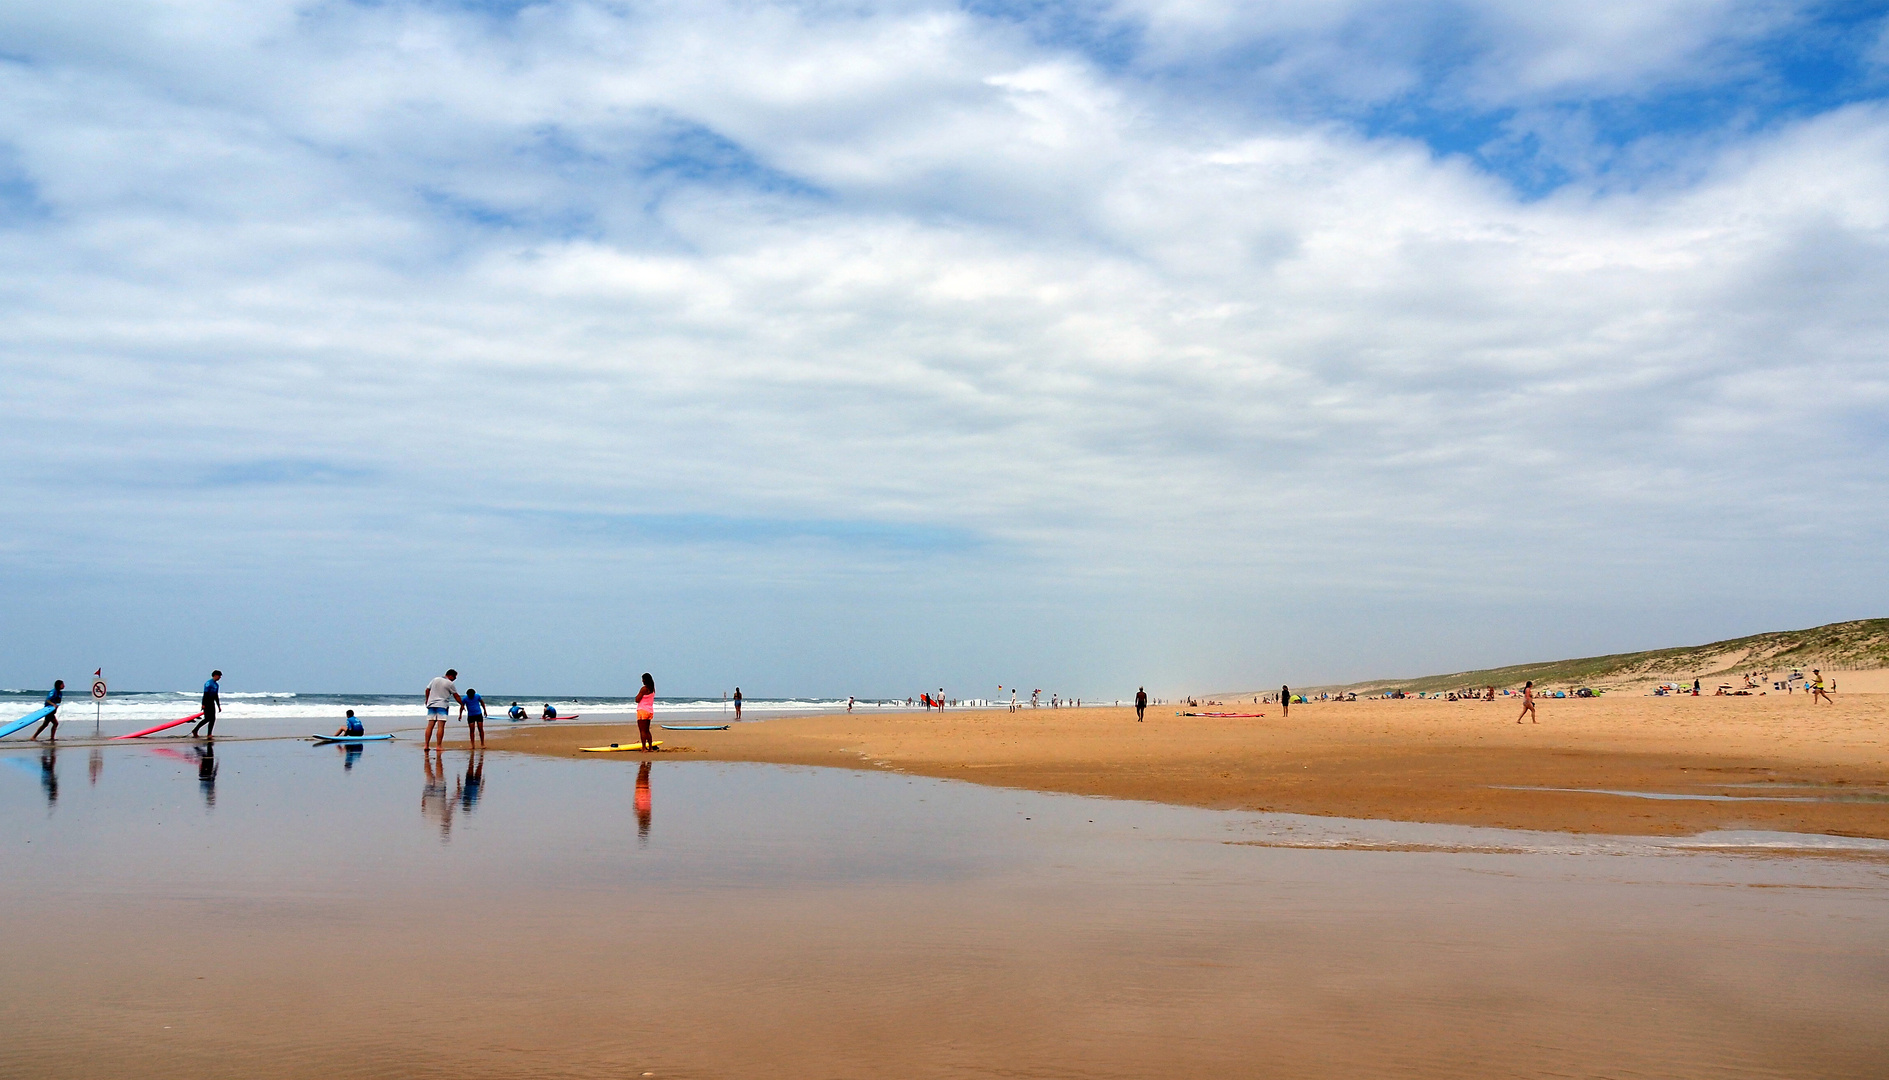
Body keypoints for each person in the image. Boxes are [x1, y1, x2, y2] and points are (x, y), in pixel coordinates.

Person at [424, 669, 462, 751]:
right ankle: (438, 746)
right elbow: (456, 696)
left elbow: (427, 689)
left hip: (431, 704)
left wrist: (427, 700)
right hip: (442, 705)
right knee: (440, 727)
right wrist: (462, 704)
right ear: (451, 675)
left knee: (430, 726)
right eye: (455, 677)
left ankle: (426, 745)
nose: (455, 679)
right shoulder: (450, 683)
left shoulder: (435, 679)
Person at [190, 670, 222, 738]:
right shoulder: (208, 683)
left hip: (212, 703)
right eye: (219, 676)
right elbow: (205, 694)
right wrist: (203, 704)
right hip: (207, 702)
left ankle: (209, 734)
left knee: (213, 719)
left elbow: (216, 696)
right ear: (215, 675)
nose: (220, 677)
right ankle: (195, 730)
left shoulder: (216, 685)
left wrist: (218, 705)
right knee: (207, 719)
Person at [636, 673, 657, 751]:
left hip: (642, 710)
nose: (642, 681)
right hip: (649, 711)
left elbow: (637, 700)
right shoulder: (652, 689)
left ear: (645, 680)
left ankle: (644, 747)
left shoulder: (644, 689)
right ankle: (650, 747)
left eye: (643, 679)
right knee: (647, 730)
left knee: (642, 730)